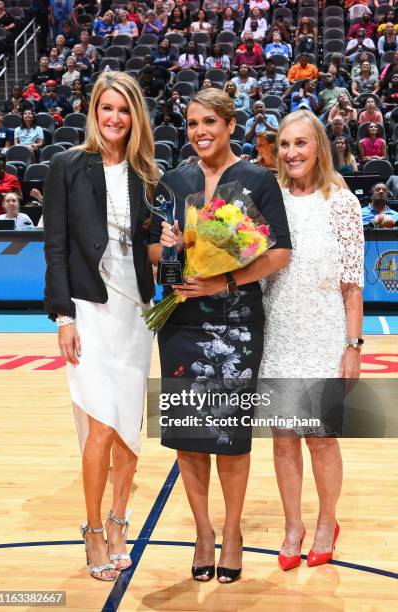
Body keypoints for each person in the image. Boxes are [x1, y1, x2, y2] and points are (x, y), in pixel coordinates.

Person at [148, 88, 291, 584]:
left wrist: (223, 280)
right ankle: (203, 533)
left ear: (230, 125)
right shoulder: (173, 180)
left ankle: (232, 533)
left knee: (230, 439)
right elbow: (150, 251)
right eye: (192, 124)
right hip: (179, 321)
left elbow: (278, 254)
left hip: (236, 322)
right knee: (189, 435)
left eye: (210, 122)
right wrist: (168, 246)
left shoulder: (257, 180)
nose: (200, 132)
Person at [43, 71, 159, 582]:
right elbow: (56, 247)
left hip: (137, 315)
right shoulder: (66, 166)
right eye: (107, 108)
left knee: (129, 432)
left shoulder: (147, 175)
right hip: (89, 312)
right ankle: (91, 529)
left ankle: (119, 522)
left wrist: (174, 244)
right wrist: (63, 316)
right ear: (94, 110)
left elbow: (151, 250)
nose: (115, 118)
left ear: (135, 117)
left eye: (124, 110)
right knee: (100, 427)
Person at [259, 109, 364, 571]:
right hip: (278, 330)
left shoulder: (342, 203)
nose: (292, 152)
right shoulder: (270, 198)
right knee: (283, 437)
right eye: (285, 144)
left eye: (301, 143)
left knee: (320, 438)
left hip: (324, 333)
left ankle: (325, 523)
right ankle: (292, 526)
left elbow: (353, 284)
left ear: (319, 145)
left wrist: (353, 346)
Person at [0, 154, 22, 218]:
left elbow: (20, 197)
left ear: (5, 167)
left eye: (1, 169)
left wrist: (7, 196)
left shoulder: (13, 179)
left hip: (7, 214)